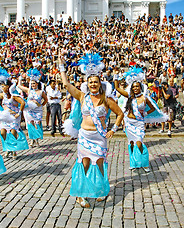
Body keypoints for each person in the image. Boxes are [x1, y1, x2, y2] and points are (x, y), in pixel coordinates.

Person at [60, 53, 124, 208]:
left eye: (96, 82)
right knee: (85, 163)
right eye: (91, 82)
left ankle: (100, 190)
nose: (93, 85)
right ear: (87, 84)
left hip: (99, 136)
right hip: (84, 136)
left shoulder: (106, 100)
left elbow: (120, 113)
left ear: (100, 83)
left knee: (100, 164)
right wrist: (61, 66)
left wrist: (113, 129)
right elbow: (67, 85)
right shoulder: (82, 97)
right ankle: (80, 195)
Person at [114, 67, 166, 172]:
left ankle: (145, 163)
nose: (135, 88)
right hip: (129, 123)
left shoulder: (145, 98)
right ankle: (133, 163)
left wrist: (145, 113)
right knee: (132, 144)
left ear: (140, 87)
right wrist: (116, 77)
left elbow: (152, 108)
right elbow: (117, 88)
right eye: (134, 87)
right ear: (132, 88)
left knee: (139, 143)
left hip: (139, 123)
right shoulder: (129, 96)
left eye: (137, 86)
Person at [0, 68, 29, 159]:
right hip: (5, 117)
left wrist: (18, 113)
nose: (2, 88)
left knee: (12, 132)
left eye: (4, 86)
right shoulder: (3, 95)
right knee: (2, 132)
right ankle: (8, 148)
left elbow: (23, 102)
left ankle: (14, 150)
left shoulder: (14, 96)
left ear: (8, 87)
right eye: (2, 86)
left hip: (14, 117)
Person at [18, 68, 48, 147]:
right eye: (32, 84)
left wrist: (40, 105)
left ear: (37, 84)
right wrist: (20, 78)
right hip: (30, 111)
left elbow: (46, 100)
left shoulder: (41, 92)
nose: (33, 85)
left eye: (34, 83)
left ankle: (37, 140)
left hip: (38, 111)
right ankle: (32, 140)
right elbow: (19, 86)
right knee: (30, 125)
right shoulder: (29, 91)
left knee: (37, 124)